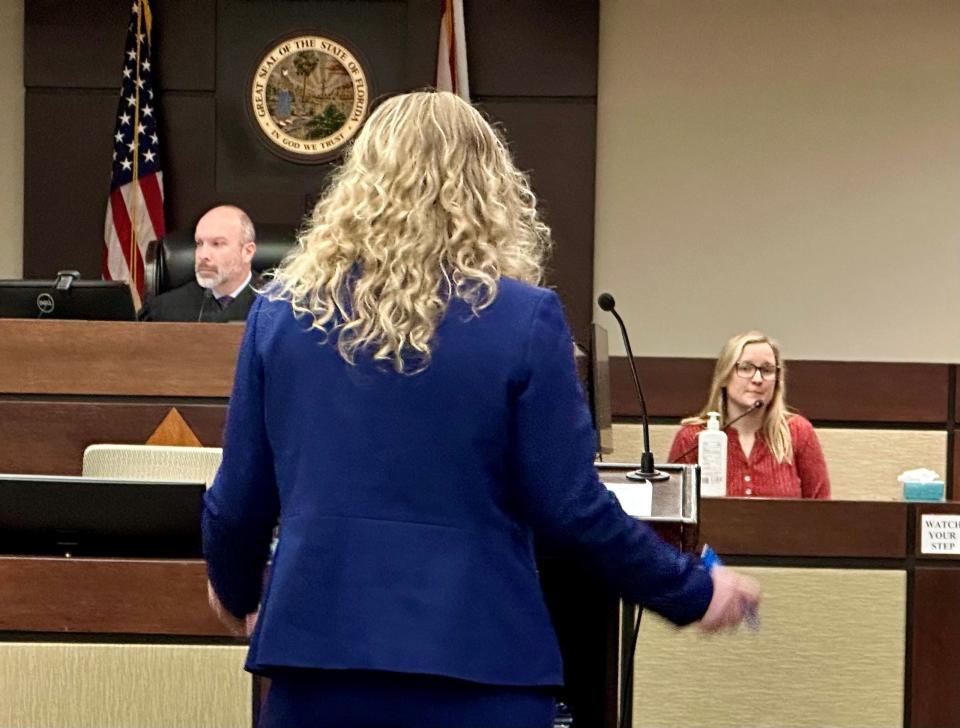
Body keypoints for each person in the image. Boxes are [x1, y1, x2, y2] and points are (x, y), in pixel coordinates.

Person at [202, 91, 760, 728]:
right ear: (488, 191)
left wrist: (239, 590)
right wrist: (689, 589)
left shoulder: (280, 316)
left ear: (356, 183)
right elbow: (572, 507)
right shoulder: (525, 319)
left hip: (319, 664)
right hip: (479, 663)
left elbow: (236, 499)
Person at [668, 331, 831, 499]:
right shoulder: (692, 438)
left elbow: (822, 513)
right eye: (746, 368)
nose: (758, 379)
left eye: (767, 370)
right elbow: (671, 511)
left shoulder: (798, 432)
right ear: (724, 376)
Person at [138, 204, 257, 322]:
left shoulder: (273, 305)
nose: (203, 255)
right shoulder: (163, 310)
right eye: (199, 243)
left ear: (247, 252)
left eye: (217, 244)